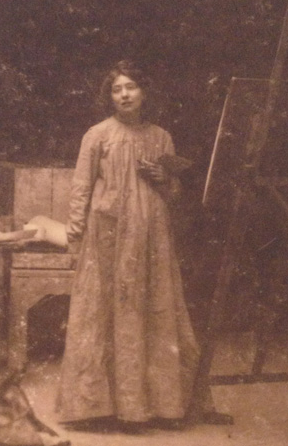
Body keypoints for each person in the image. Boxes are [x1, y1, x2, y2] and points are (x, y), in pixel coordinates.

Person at [57, 60, 230, 431]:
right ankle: (103, 409)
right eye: (117, 89)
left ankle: (159, 406)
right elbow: (81, 186)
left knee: (154, 310)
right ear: (109, 96)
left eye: (131, 87)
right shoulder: (97, 135)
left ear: (144, 92)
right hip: (109, 234)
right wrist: (75, 233)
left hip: (152, 235)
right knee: (106, 312)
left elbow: (173, 193)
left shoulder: (161, 137)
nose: (124, 95)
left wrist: (163, 177)